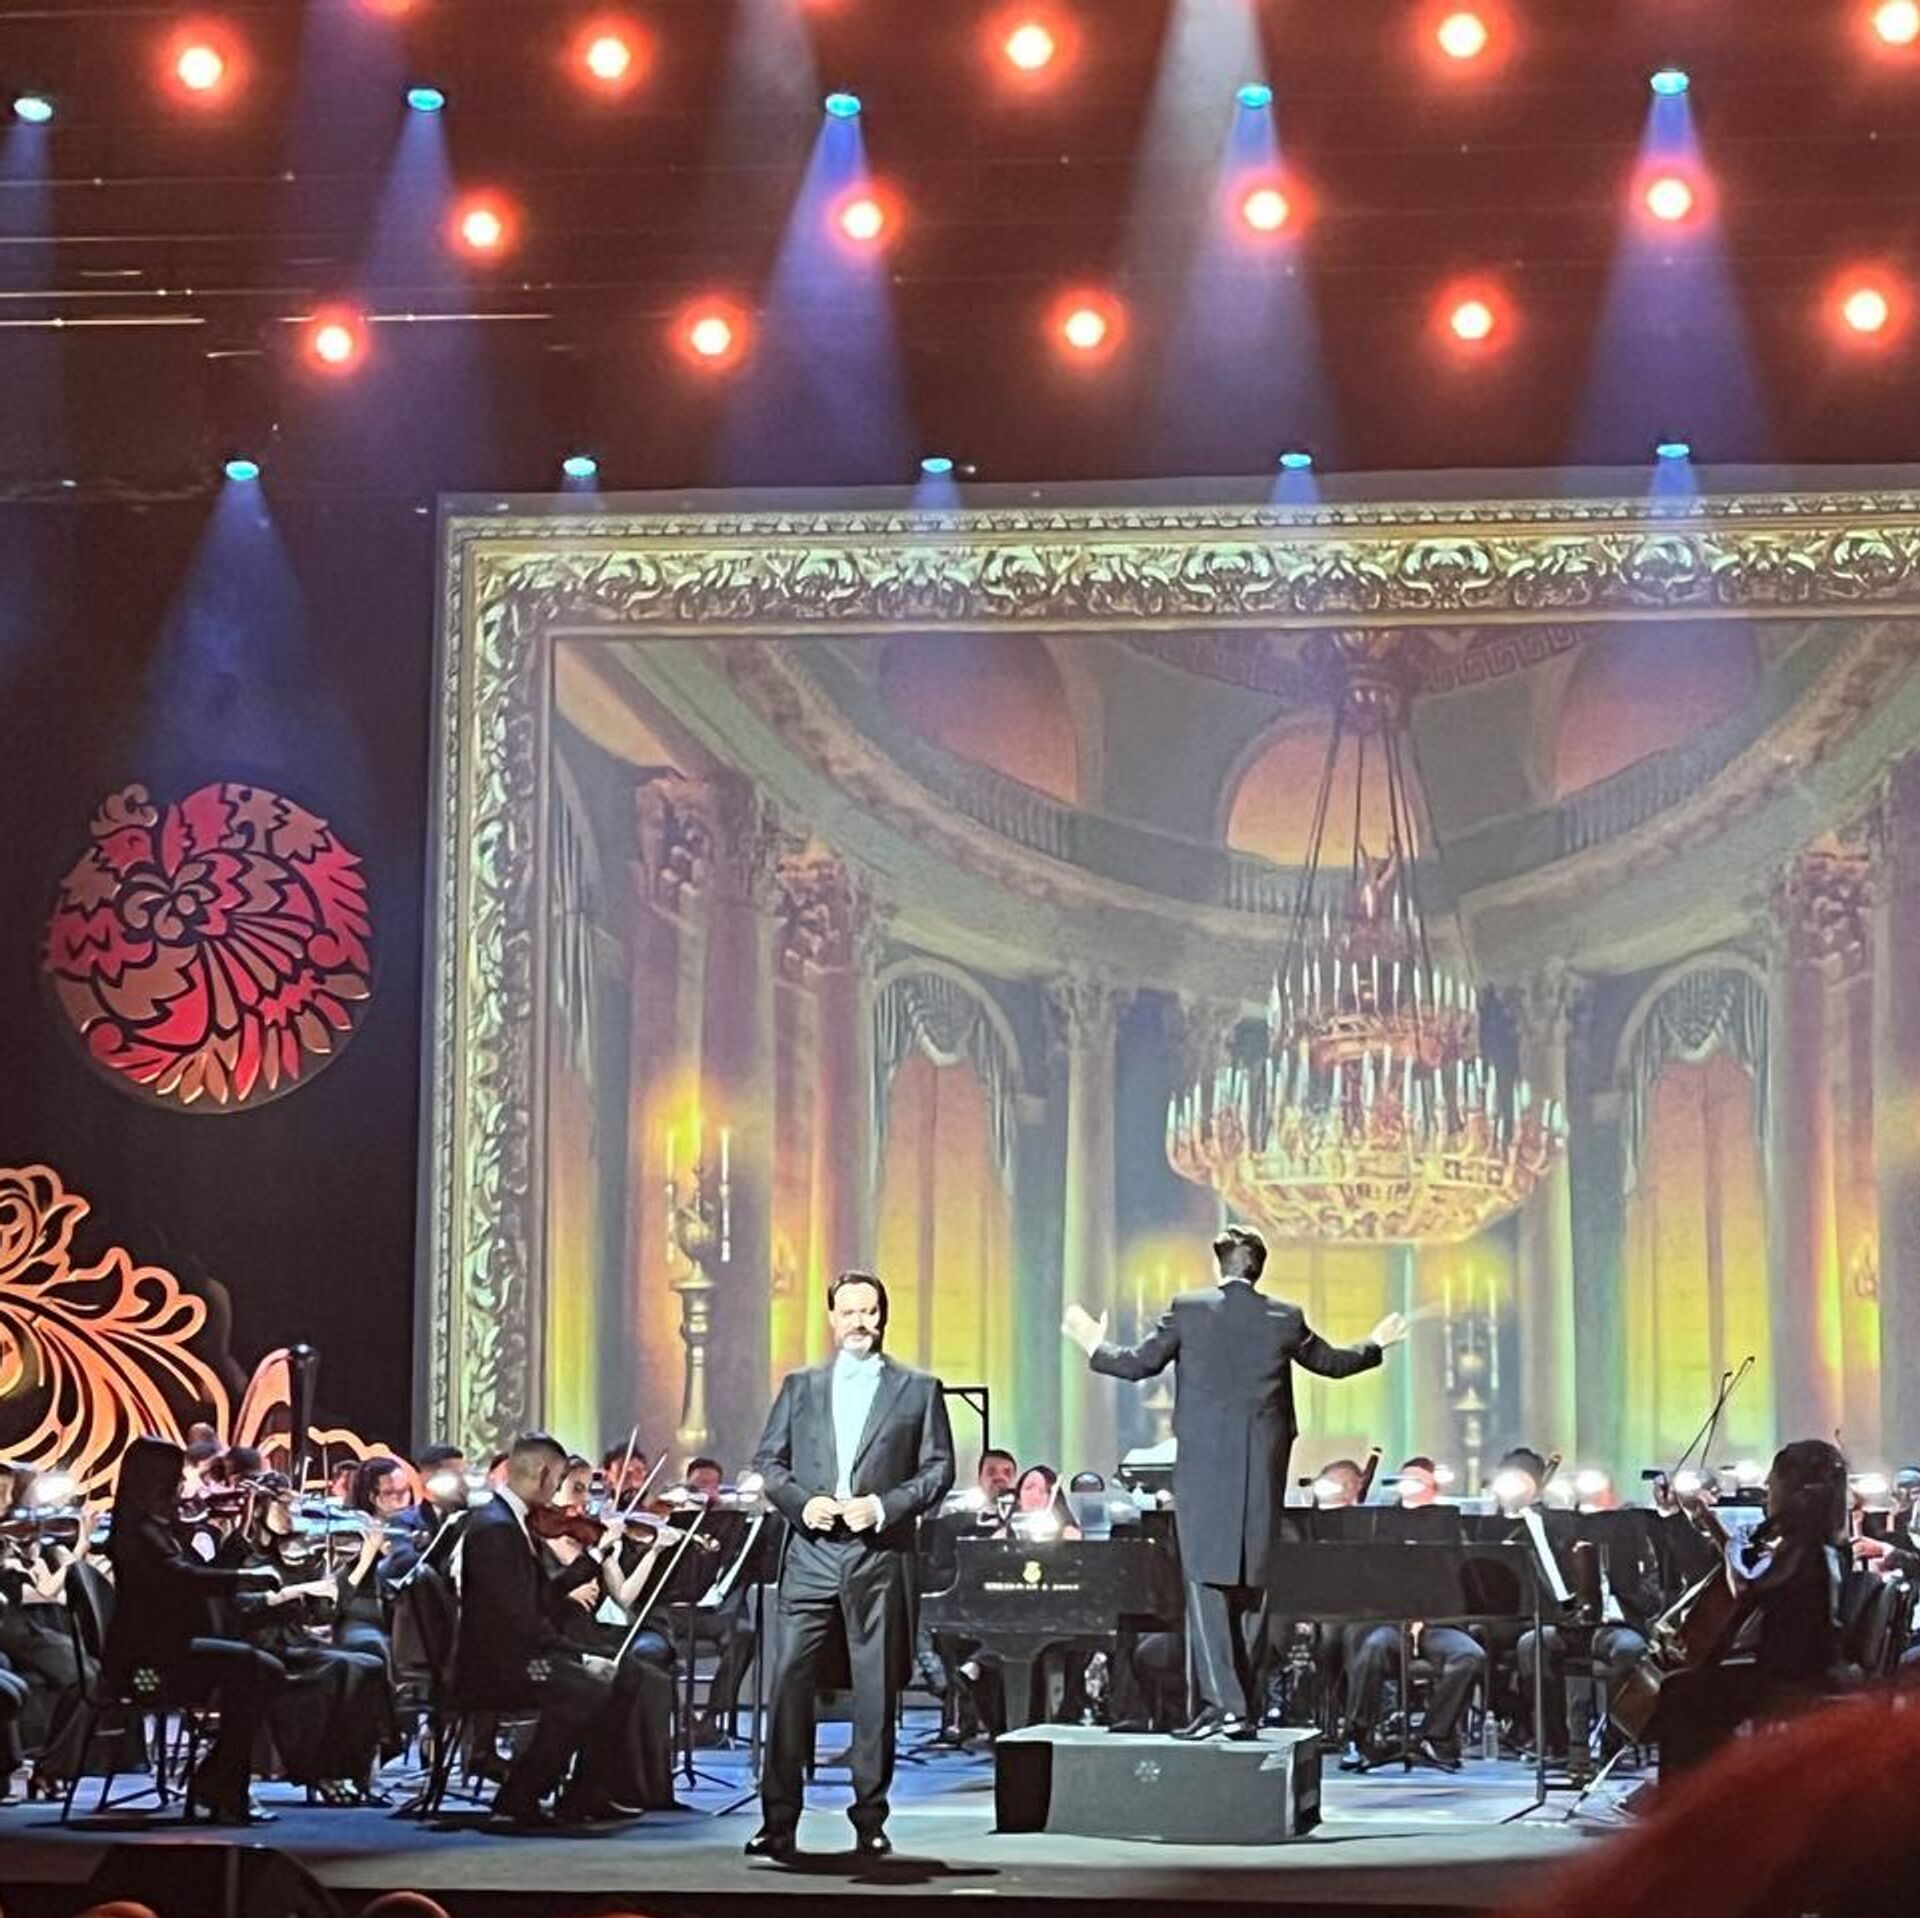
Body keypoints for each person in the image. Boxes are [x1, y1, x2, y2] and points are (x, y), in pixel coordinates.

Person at [1064, 1223, 1407, 1739]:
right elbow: (1333, 1364)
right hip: (1262, 1472)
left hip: (1205, 1472)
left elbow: (1138, 1364)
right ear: (1259, 1268)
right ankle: (1237, 1707)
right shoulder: (1284, 1316)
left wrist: (1091, 1340)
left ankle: (1225, 1708)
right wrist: (1375, 1343)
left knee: (1206, 1584)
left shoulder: (1190, 1309)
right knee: (1253, 1587)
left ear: (1218, 1264)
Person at [746, 1269, 955, 1863]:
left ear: (882, 1317)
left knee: (874, 1693)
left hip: (878, 1556)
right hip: (811, 1552)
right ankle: (777, 1822)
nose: (859, 1322)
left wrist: (883, 1507)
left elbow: (939, 1469)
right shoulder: (800, 1387)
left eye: (869, 1311)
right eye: (849, 1312)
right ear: (832, 1318)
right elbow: (769, 1462)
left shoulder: (918, 1389)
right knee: (788, 1684)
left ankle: (869, 1820)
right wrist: (800, 1503)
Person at [452, 1430, 644, 1828]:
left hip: (521, 1656)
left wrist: (594, 1558)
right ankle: (519, 1795)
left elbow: (541, 1598)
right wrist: (578, 1655)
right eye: (558, 1479)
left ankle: (586, 1793)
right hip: (504, 1668)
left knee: (625, 1674)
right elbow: (517, 1621)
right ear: (542, 1475)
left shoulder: (511, 1522)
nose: (558, 1489)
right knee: (585, 1686)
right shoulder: (496, 1528)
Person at [102, 1436, 284, 1823]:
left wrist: (234, 1538)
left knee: (259, 1668)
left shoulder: (155, 1528)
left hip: (165, 1652)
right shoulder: (138, 1534)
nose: (183, 1487)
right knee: (255, 1669)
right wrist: (246, 1578)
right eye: (176, 1478)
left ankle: (218, 1783)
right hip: (145, 1669)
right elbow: (183, 1580)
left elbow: (195, 1574)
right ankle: (220, 1786)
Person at [1653, 1438, 1853, 1778]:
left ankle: (1693, 1794)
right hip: (1803, 1671)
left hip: (1793, 1679)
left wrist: (1729, 1546)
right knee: (1694, 1685)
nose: (1766, 1490)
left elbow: (1747, 1593)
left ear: (1792, 1491)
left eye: (1772, 1484)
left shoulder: (1804, 1549)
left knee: (1680, 1690)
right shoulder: (1821, 1545)